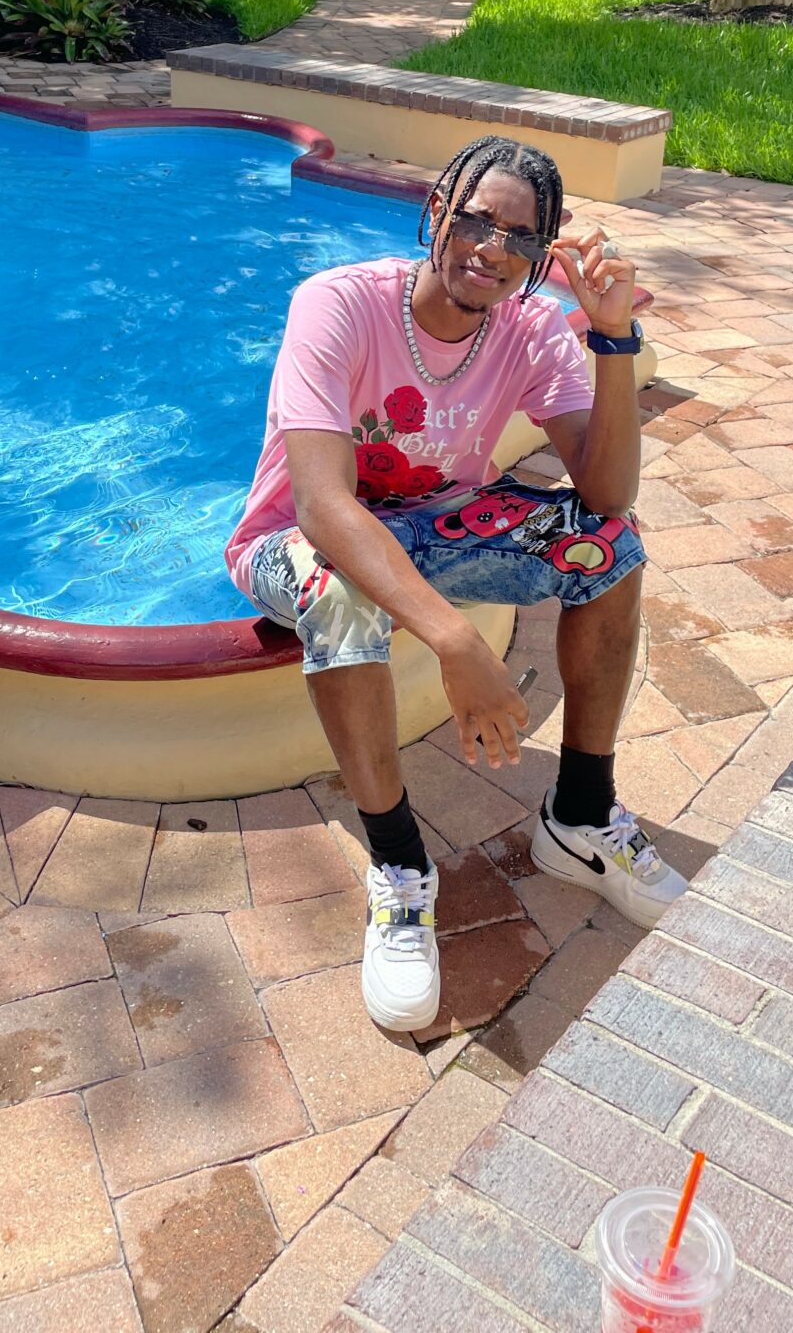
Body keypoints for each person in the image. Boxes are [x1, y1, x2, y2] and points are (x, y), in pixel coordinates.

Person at [226, 134, 687, 1031]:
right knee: (340, 595)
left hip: (436, 524)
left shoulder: (532, 330)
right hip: (296, 538)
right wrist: (455, 637)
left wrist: (611, 336)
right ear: (437, 211)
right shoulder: (339, 303)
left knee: (607, 543)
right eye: (476, 220)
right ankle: (401, 870)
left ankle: (580, 817)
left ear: (541, 251)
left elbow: (606, 494)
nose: (492, 248)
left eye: (521, 236)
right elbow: (321, 506)